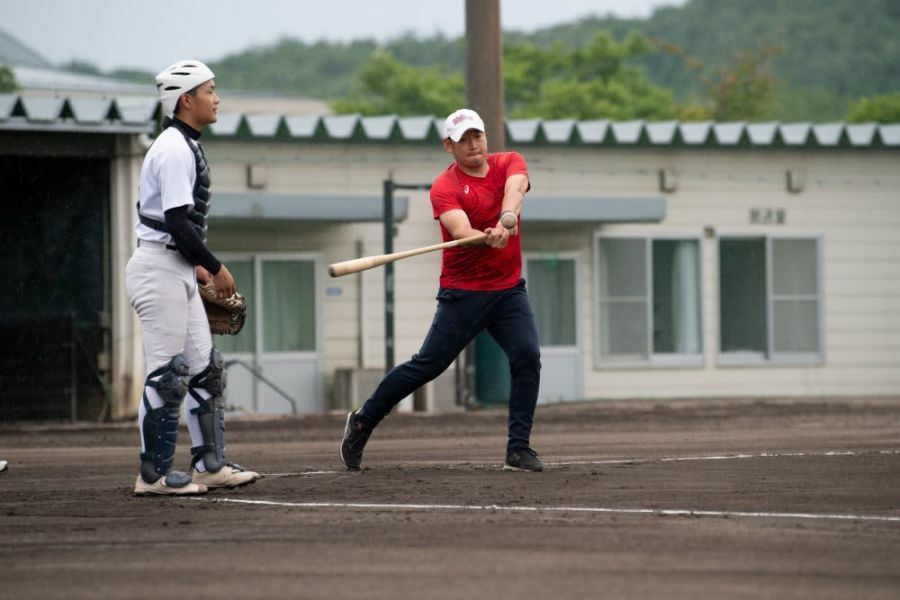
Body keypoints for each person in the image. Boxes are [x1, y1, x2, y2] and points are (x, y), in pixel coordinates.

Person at [340, 108, 543, 472]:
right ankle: (362, 421)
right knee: (427, 366)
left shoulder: (509, 161)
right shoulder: (445, 187)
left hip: (508, 289)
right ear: (448, 146)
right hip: (463, 293)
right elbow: (462, 232)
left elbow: (516, 188)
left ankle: (518, 448)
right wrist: (484, 239)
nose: (473, 145)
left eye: (477, 136)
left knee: (527, 356)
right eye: (463, 140)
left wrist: (505, 220)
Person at [126, 60, 260, 496]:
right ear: (186, 99)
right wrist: (216, 266)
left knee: (206, 370)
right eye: (209, 90)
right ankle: (154, 476)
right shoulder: (172, 148)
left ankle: (209, 465)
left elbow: (176, 227)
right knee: (168, 374)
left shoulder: (184, 144)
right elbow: (178, 223)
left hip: (177, 268)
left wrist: (197, 265)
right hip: (158, 270)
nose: (217, 98)